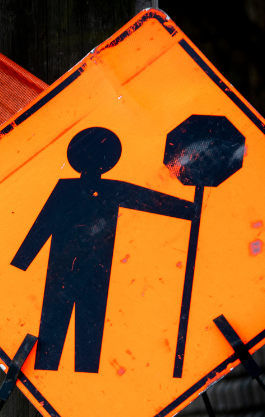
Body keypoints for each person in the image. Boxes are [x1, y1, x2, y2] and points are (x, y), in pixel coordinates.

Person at [11, 127, 196, 373]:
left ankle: (79, 374)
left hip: (91, 272)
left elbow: (148, 199)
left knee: (86, 332)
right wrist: (21, 262)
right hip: (67, 271)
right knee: (56, 333)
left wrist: (190, 210)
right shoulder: (75, 189)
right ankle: (55, 371)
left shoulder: (99, 189)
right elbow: (42, 226)